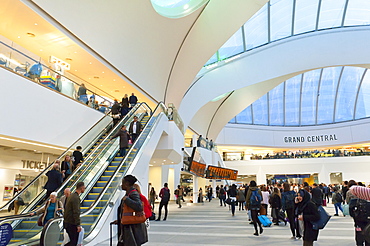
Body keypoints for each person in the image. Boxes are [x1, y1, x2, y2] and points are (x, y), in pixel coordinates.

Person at [114, 175, 148, 246]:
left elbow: (139, 206)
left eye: (122, 183)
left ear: (126, 184)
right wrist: (120, 220)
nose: (121, 185)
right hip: (129, 227)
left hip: (132, 228)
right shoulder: (129, 193)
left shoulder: (133, 193)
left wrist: (127, 200)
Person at [64, 182, 85, 246]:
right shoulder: (76, 198)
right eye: (84, 188)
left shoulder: (71, 196)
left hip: (67, 222)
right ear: (81, 188)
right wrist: (78, 224)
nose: (84, 189)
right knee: (73, 242)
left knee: (72, 241)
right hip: (72, 223)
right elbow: (76, 212)